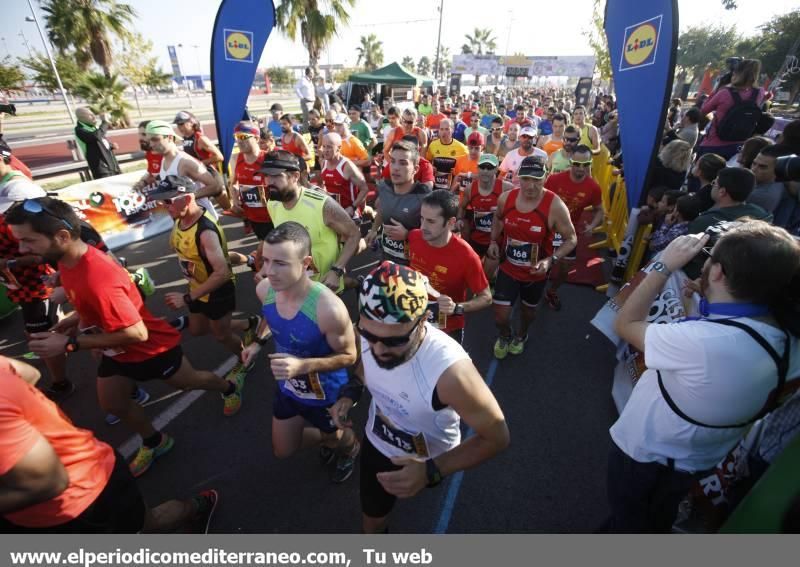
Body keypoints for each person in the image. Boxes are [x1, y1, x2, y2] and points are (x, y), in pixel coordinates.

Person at [6, 198, 246, 478]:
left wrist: (72, 344)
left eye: (28, 241)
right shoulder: (67, 263)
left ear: (62, 236)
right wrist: (71, 323)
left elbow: (137, 333)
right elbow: (88, 305)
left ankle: (228, 387)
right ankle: (155, 441)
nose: (22, 250)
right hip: (115, 352)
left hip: (151, 350)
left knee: (192, 382)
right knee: (113, 403)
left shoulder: (97, 276)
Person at [608, 221, 800, 532]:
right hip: (696, 459)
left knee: (630, 522)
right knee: (648, 519)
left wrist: (663, 264)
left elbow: (625, 324)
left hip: (647, 457)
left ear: (718, 272)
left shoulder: (702, 342)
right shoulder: (788, 340)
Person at [329, 261, 510, 533]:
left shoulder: (452, 373)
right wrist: (352, 390)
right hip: (379, 442)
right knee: (373, 523)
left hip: (431, 457)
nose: (378, 349)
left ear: (423, 319)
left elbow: (497, 437)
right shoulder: (373, 331)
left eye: (394, 342)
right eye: (368, 335)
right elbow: (366, 363)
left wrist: (431, 472)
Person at [0, 355, 219, 533]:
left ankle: (196, 508)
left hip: (81, 495)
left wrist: (76, 343)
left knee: (147, 525)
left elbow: (50, 482)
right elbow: (29, 373)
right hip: (39, 509)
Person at [241, 223, 360, 483]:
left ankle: (350, 448)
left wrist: (302, 366)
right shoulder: (264, 290)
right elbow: (272, 321)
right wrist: (257, 344)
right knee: (283, 449)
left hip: (326, 392)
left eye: (280, 263)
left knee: (338, 436)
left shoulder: (329, 308)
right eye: (266, 261)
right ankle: (327, 439)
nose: (269, 272)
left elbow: (350, 356)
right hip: (288, 386)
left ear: (306, 262)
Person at [151, 175, 255, 360]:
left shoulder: (205, 231)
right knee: (197, 329)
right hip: (197, 286)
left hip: (217, 292)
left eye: (168, 201)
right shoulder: (179, 218)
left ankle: (245, 358)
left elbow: (222, 273)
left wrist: (186, 298)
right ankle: (246, 323)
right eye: (162, 202)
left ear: (188, 198)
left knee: (221, 335)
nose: (165, 207)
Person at [487, 157, 576, 359]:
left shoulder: (555, 205)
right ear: (519, 177)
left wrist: (550, 261)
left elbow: (571, 239)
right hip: (509, 269)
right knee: (500, 317)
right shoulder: (506, 199)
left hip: (535, 275)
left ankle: (521, 335)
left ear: (546, 177)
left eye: (537, 179)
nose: (531, 185)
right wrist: (493, 241)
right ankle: (505, 335)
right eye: (526, 179)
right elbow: (498, 219)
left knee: (528, 315)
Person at [0, 159, 71, 398]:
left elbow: (46, 252)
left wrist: (10, 262)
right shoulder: (9, 199)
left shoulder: (22, 197)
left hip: (36, 283)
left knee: (40, 336)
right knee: (41, 332)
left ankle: (61, 382)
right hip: (18, 283)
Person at [261, 150, 361, 292]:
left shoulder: (322, 204)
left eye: (277, 176)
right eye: (266, 175)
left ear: (295, 176)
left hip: (325, 286)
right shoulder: (273, 203)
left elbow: (354, 234)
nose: (269, 181)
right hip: (293, 283)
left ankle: (358, 284)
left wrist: (337, 270)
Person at [408, 190, 491, 344]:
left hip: (447, 330)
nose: (423, 226)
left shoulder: (467, 256)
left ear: (451, 222)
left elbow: (486, 298)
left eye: (431, 221)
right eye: (422, 219)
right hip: (414, 320)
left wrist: (457, 308)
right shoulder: (414, 237)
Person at [543, 145, 604, 311]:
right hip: (548, 229)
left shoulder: (593, 187)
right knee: (541, 262)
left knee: (565, 268)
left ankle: (552, 291)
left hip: (569, 233)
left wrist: (592, 225)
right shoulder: (554, 180)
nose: (581, 169)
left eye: (586, 164)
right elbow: (541, 200)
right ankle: (532, 288)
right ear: (571, 162)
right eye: (577, 164)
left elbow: (600, 211)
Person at [366, 141, 432, 266]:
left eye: (403, 163)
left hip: (413, 268)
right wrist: (374, 230)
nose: (396, 167)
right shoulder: (384, 186)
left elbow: (435, 236)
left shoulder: (424, 197)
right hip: (386, 261)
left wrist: (408, 235)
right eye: (393, 161)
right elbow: (383, 208)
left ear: (415, 169)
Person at [145, 120, 225, 219]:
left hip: (203, 220)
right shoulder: (164, 160)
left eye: (155, 139)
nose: (151, 144)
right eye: (150, 140)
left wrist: (187, 198)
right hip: (184, 220)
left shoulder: (185, 162)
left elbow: (215, 186)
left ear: (169, 137)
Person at [698, 59, 770, 160]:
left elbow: (704, 110)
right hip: (738, 144)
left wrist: (718, 88)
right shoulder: (759, 93)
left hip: (713, 143)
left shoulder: (724, 92)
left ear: (736, 73)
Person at [456, 153, 513, 265]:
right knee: (470, 268)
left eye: (490, 167)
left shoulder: (506, 188)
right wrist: (458, 219)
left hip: (498, 241)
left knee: (488, 275)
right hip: (476, 238)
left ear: (496, 169)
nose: (485, 171)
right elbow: (462, 207)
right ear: (478, 168)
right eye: (482, 167)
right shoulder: (470, 189)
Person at [688, 167, 772, 235]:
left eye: (714, 183)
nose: (712, 186)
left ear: (722, 192)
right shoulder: (762, 214)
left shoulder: (705, 222)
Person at [229, 121, 273, 241]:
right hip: (252, 217)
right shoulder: (235, 158)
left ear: (257, 138)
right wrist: (234, 199)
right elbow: (233, 184)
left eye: (243, 137)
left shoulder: (268, 158)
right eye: (236, 137)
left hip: (272, 217)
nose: (239, 141)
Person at [319, 132, 370, 219]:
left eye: (329, 147)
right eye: (324, 146)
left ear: (339, 148)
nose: (325, 150)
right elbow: (326, 184)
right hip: (333, 211)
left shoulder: (347, 166)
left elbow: (364, 189)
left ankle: (371, 215)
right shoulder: (323, 163)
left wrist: (353, 207)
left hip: (349, 213)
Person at [748, 144, 795, 217]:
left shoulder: (761, 195)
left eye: (762, 167)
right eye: (754, 163)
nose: (754, 169)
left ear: (779, 169)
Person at [74, 107, 120, 179]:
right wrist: (104, 122)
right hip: (100, 167)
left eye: (93, 114)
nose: (94, 117)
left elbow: (99, 142)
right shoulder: (79, 130)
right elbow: (95, 136)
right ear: (81, 118)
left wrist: (110, 145)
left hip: (111, 163)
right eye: (90, 115)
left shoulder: (93, 127)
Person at [426, 119, 468, 191]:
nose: (444, 132)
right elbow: (427, 161)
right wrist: (431, 167)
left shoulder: (461, 147)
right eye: (441, 129)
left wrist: (457, 170)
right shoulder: (433, 145)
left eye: (447, 129)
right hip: (436, 185)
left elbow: (468, 165)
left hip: (453, 186)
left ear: (452, 130)